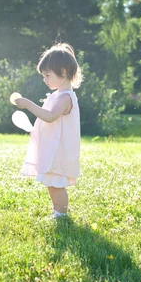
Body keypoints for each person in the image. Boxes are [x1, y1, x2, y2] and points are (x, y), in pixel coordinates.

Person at [14, 43, 82, 218]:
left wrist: (28, 104)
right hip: (52, 146)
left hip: (59, 149)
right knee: (51, 181)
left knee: (57, 182)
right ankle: (56, 210)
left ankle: (61, 214)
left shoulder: (65, 97)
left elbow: (50, 116)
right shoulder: (57, 95)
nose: (45, 79)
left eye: (47, 75)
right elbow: (49, 122)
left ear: (64, 72)